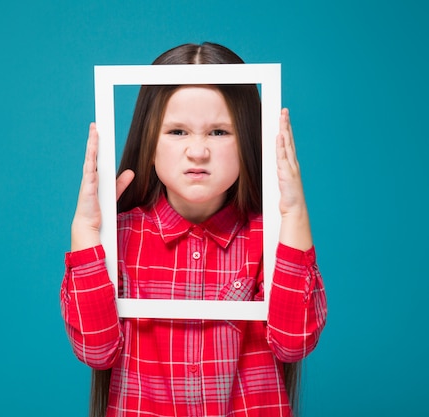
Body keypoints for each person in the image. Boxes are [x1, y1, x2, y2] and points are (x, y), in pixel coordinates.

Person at [60, 42, 327, 417]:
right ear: (149, 141)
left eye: (219, 132)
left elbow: (294, 341)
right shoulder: (122, 237)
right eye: (177, 132)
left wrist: (294, 213)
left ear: (249, 140)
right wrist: (86, 230)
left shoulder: (268, 237)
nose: (198, 152)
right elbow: (95, 348)